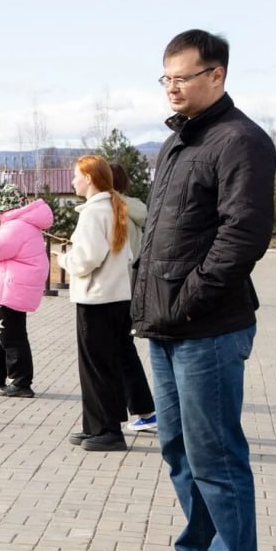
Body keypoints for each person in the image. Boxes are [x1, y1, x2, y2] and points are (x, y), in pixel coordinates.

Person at [130, 29, 276, 551]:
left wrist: (189, 298)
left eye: (182, 77)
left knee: (216, 454)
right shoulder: (176, 144)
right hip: (167, 326)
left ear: (216, 76)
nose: (172, 88)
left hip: (208, 328)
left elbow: (243, 234)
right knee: (178, 448)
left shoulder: (240, 141)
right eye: (165, 78)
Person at [58, 155, 135, 453]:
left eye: (76, 175)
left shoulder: (94, 212)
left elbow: (87, 258)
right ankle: (97, 424)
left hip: (96, 299)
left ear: (89, 178)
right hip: (115, 298)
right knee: (106, 364)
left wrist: (64, 258)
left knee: (95, 367)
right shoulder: (113, 207)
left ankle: (107, 430)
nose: (73, 181)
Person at [0, 182, 53, 399]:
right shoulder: (21, 225)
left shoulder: (17, 227)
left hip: (10, 290)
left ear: (6, 209)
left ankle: (21, 381)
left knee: (11, 336)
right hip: (8, 288)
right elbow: (4, 243)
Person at [110, 162, 156, 432]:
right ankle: (140, 408)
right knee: (122, 350)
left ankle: (143, 409)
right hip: (132, 286)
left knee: (121, 351)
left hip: (116, 289)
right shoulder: (135, 207)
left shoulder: (111, 209)